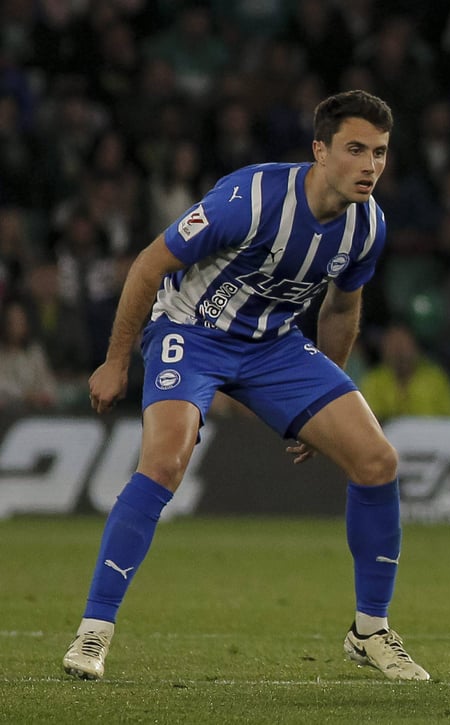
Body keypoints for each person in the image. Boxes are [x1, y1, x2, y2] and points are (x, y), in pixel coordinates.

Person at [62, 90, 430, 682]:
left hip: (273, 345)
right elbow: (149, 264)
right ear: (320, 150)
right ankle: (93, 632)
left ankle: (370, 631)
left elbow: (340, 308)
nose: (370, 166)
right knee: (164, 463)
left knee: (377, 460)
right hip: (192, 330)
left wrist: (324, 397)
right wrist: (115, 361)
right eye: (356, 150)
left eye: (380, 153)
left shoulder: (367, 226)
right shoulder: (251, 197)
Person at [360, 322, 450, 420]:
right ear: (383, 350)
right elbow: (368, 420)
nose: (399, 352)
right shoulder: (373, 381)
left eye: (404, 344)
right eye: (392, 345)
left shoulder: (436, 378)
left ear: (415, 347)